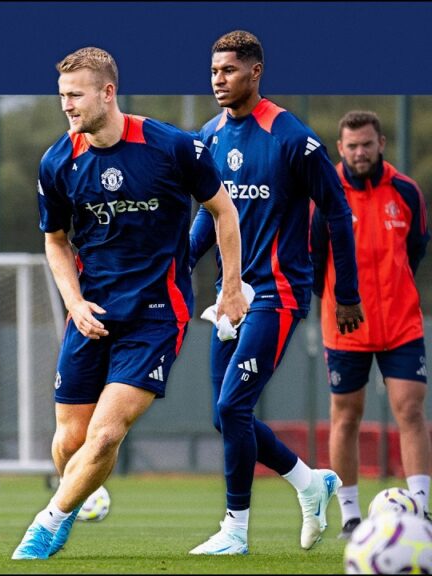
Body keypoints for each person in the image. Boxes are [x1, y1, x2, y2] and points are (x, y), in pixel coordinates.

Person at [11, 46, 246, 560]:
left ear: (107, 93)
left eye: (75, 96)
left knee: (105, 432)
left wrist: (231, 287)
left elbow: (223, 212)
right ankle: (81, 489)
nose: (67, 106)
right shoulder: (57, 162)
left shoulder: (172, 147)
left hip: (156, 316)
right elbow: (55, 241)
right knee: (70, 443)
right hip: (91, 313)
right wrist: (73, 303)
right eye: (62, 97)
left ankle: (44, 528)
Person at [187, 30, 365, 555]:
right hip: (230, 297)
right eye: (214, 71)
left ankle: (235, 531)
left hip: (278, 293)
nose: (219, 79)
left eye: (229, 70)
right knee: (225, 415)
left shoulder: (292, 137)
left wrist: (347, 293)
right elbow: (211, 216)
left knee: (233, 405)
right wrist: (176, 268)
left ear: (256, 72)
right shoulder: (210, 136)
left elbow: (336, 211)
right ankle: (312, 483)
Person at [311, 110, 430, 538]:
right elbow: (314, 261)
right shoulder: (326, 198)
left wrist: (393, 293)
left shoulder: (406, 192)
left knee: (411, 410)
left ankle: (420, 511)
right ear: (340, 149)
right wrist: (342, 304)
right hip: (346, 327)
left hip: (401, 324)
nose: (360, 152)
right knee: (346, 416)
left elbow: (415, 249)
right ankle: (351, 517)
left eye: (367, 144)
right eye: (352, 146)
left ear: (381, 143)